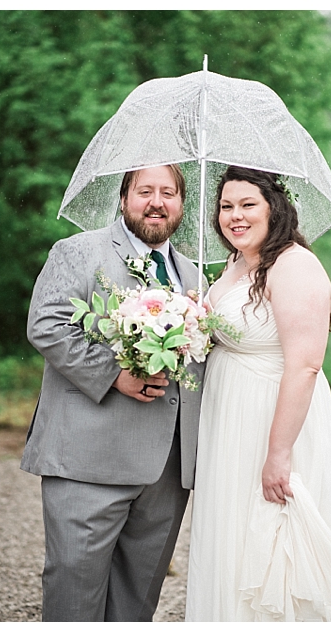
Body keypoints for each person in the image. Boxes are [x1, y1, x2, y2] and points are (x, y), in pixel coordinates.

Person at [184, 166, 331, 621]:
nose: (235, 216)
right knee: (231, 538)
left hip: (272, 422)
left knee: (272, 546)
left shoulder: (293, 265)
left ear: (275, 209)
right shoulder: (236, 264)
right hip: (231, 424)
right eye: (226, 206)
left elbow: (305, 365)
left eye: (248, 205)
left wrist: (279, 453)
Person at [22, 164, 204, 621]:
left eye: (169, 193)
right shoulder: (79, 251)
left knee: (135, 604)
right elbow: (45, 325)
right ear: (123, 199)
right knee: (74, 594)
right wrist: (115, 374)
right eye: (145, 191)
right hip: (89, 459)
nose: (157, 202)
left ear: (182, 205)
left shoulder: (195, 275)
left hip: (165, 473)